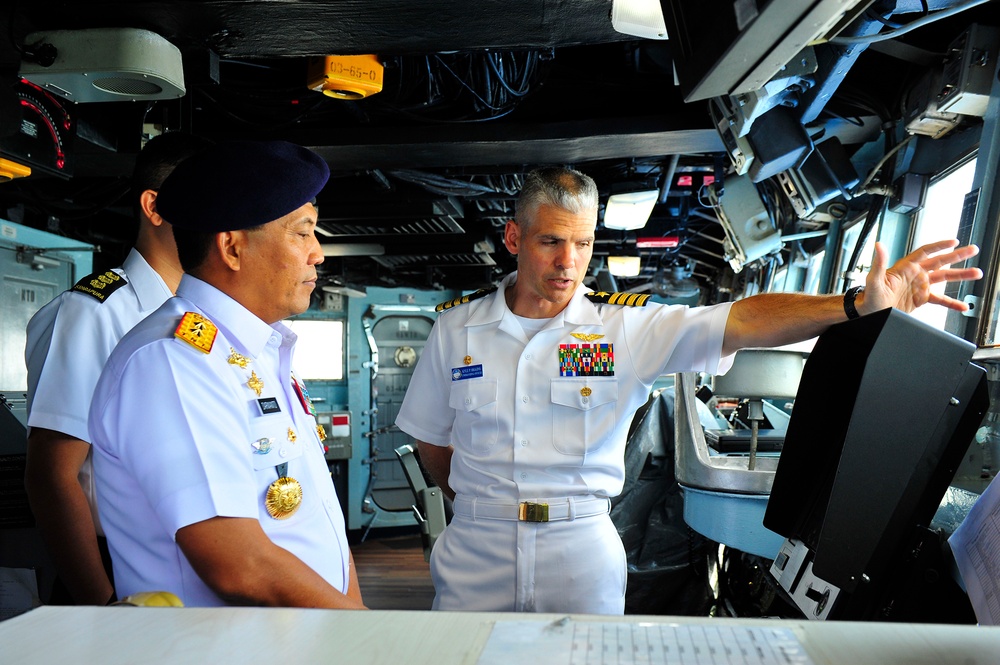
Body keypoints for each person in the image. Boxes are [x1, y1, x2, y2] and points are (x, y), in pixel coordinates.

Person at [394, 165, 982, 615]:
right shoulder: (455, 329)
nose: (569, 263)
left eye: (582, 243)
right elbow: (434, 447)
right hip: (476, 546)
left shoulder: (624, 329)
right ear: (514, 238)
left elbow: (742, 319)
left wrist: (855, 305)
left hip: (579, 549)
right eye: (551, 242)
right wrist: (486, 504)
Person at [87, 139, 365, 609]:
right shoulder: (174, 362)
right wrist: (370, 634)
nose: (318, 253)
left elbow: (320, 525)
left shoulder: (257, 352)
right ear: (232, 248)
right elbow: (239, 564)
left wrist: (353, 623)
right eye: (303, 233)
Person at [23, 131, 211, 606]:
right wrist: (103, 604)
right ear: (155, 207)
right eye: (212, 197)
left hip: (198, 562)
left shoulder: (198, 318)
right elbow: (52, 471)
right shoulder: (96, 312)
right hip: (119, 569)